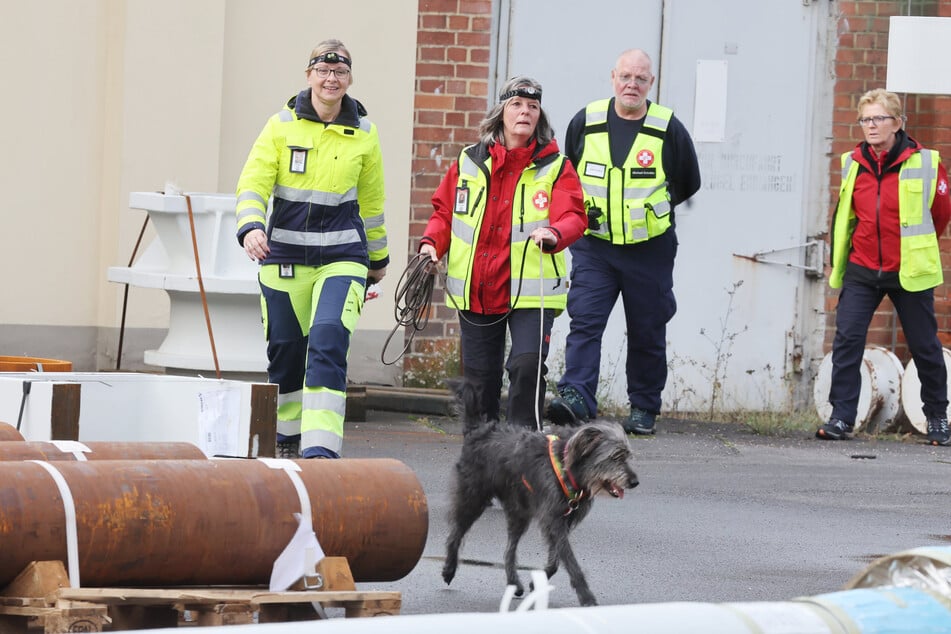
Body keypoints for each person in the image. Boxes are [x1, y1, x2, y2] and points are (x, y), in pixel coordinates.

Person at [235, 39, 388, 459]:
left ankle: (320, 449)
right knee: (286, 351)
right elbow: (253, 184)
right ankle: (286, 438)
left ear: (349, 79)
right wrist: (250, 228)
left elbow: (372, 205)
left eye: (339, 73)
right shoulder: (280, 126)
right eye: (323, 71)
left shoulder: (365, 134)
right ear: (309, 76)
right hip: (282, 257)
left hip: (342, 258)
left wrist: (377, 261)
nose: (331, 79)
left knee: (327, 339)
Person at [546, 48, 700, 434]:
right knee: (585, 320)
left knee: (648, 327)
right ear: (613, 77)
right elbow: (570, 175)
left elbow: (687, 181)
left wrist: (643, 214)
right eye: (626, 77)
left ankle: (643, 407)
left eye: (641, 79)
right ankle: (576, 396)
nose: (632, 84)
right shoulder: (586, 121)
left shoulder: (668, 128)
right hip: (595, 245)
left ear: (652, 83)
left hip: (649, 248)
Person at [419, 76, 587, 428]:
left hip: (531, 292)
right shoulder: (468, 162)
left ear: (539, 116)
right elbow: (444, 213)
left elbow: (573, 215)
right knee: (479, 385)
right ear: (501, 113)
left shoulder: (556, 166)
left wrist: (556, 232)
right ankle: (481, 461)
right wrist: (430, 245)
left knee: (526, 366)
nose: (525, 112)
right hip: (477, 288)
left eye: (532, 107)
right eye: (517, 105)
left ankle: (524, 453)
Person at [818, 88, 950, 446]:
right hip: (862, 267)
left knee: (924, 345)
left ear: (897, 123)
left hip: (907, 268)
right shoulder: (852, 162)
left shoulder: (925, 162)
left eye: (879, 119)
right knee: (847, 340)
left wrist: (913, 245)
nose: (871, 126)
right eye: (866, 119)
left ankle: (937, 417)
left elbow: (940, 213)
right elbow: (847, 216)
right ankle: (842, 417)